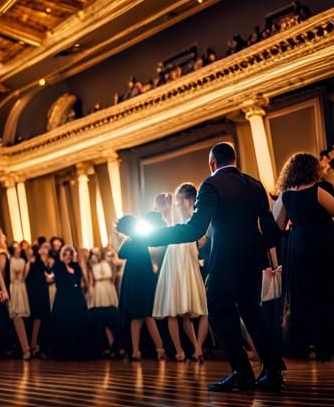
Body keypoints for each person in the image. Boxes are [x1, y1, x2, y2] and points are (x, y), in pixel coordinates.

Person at [135, 142, 284, 391]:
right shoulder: (255, 184)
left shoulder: (211, 184)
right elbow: (269, 227)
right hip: (253, 258)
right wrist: (274, 262)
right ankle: (274, 372)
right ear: (234, 160)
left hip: (225, 259)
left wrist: (152, 236)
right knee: (252, 313)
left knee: (217, 310)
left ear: (212, 163)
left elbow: (195, 229)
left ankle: (242, 372)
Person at [272, 153, 334, 359]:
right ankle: (327, 342)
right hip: (324, 242)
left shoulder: (286, 196)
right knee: (326, 291)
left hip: (298, 246)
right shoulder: (320, 189)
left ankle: (305, 343)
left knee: (302, 294)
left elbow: (278, 226)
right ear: (313, 169)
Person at [152, 183, 210, 361]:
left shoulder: (199, 215)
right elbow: (162, 209)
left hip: (188, 259)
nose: (179, 203)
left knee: (191, 310)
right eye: (177, 200)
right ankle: (180, 351)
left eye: (181, 199)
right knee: (174, 308)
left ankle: (197, 348)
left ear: (190, 199)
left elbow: (204, 240)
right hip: (175, 259)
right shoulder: (173, 214)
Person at [115, 214, 166, 361]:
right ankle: (157, 349)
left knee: (140, 317)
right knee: (143, 316)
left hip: (135, 279)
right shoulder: (141, 239)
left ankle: (140, 351)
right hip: (143, 279)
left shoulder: (132, 241)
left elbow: (121, 254)